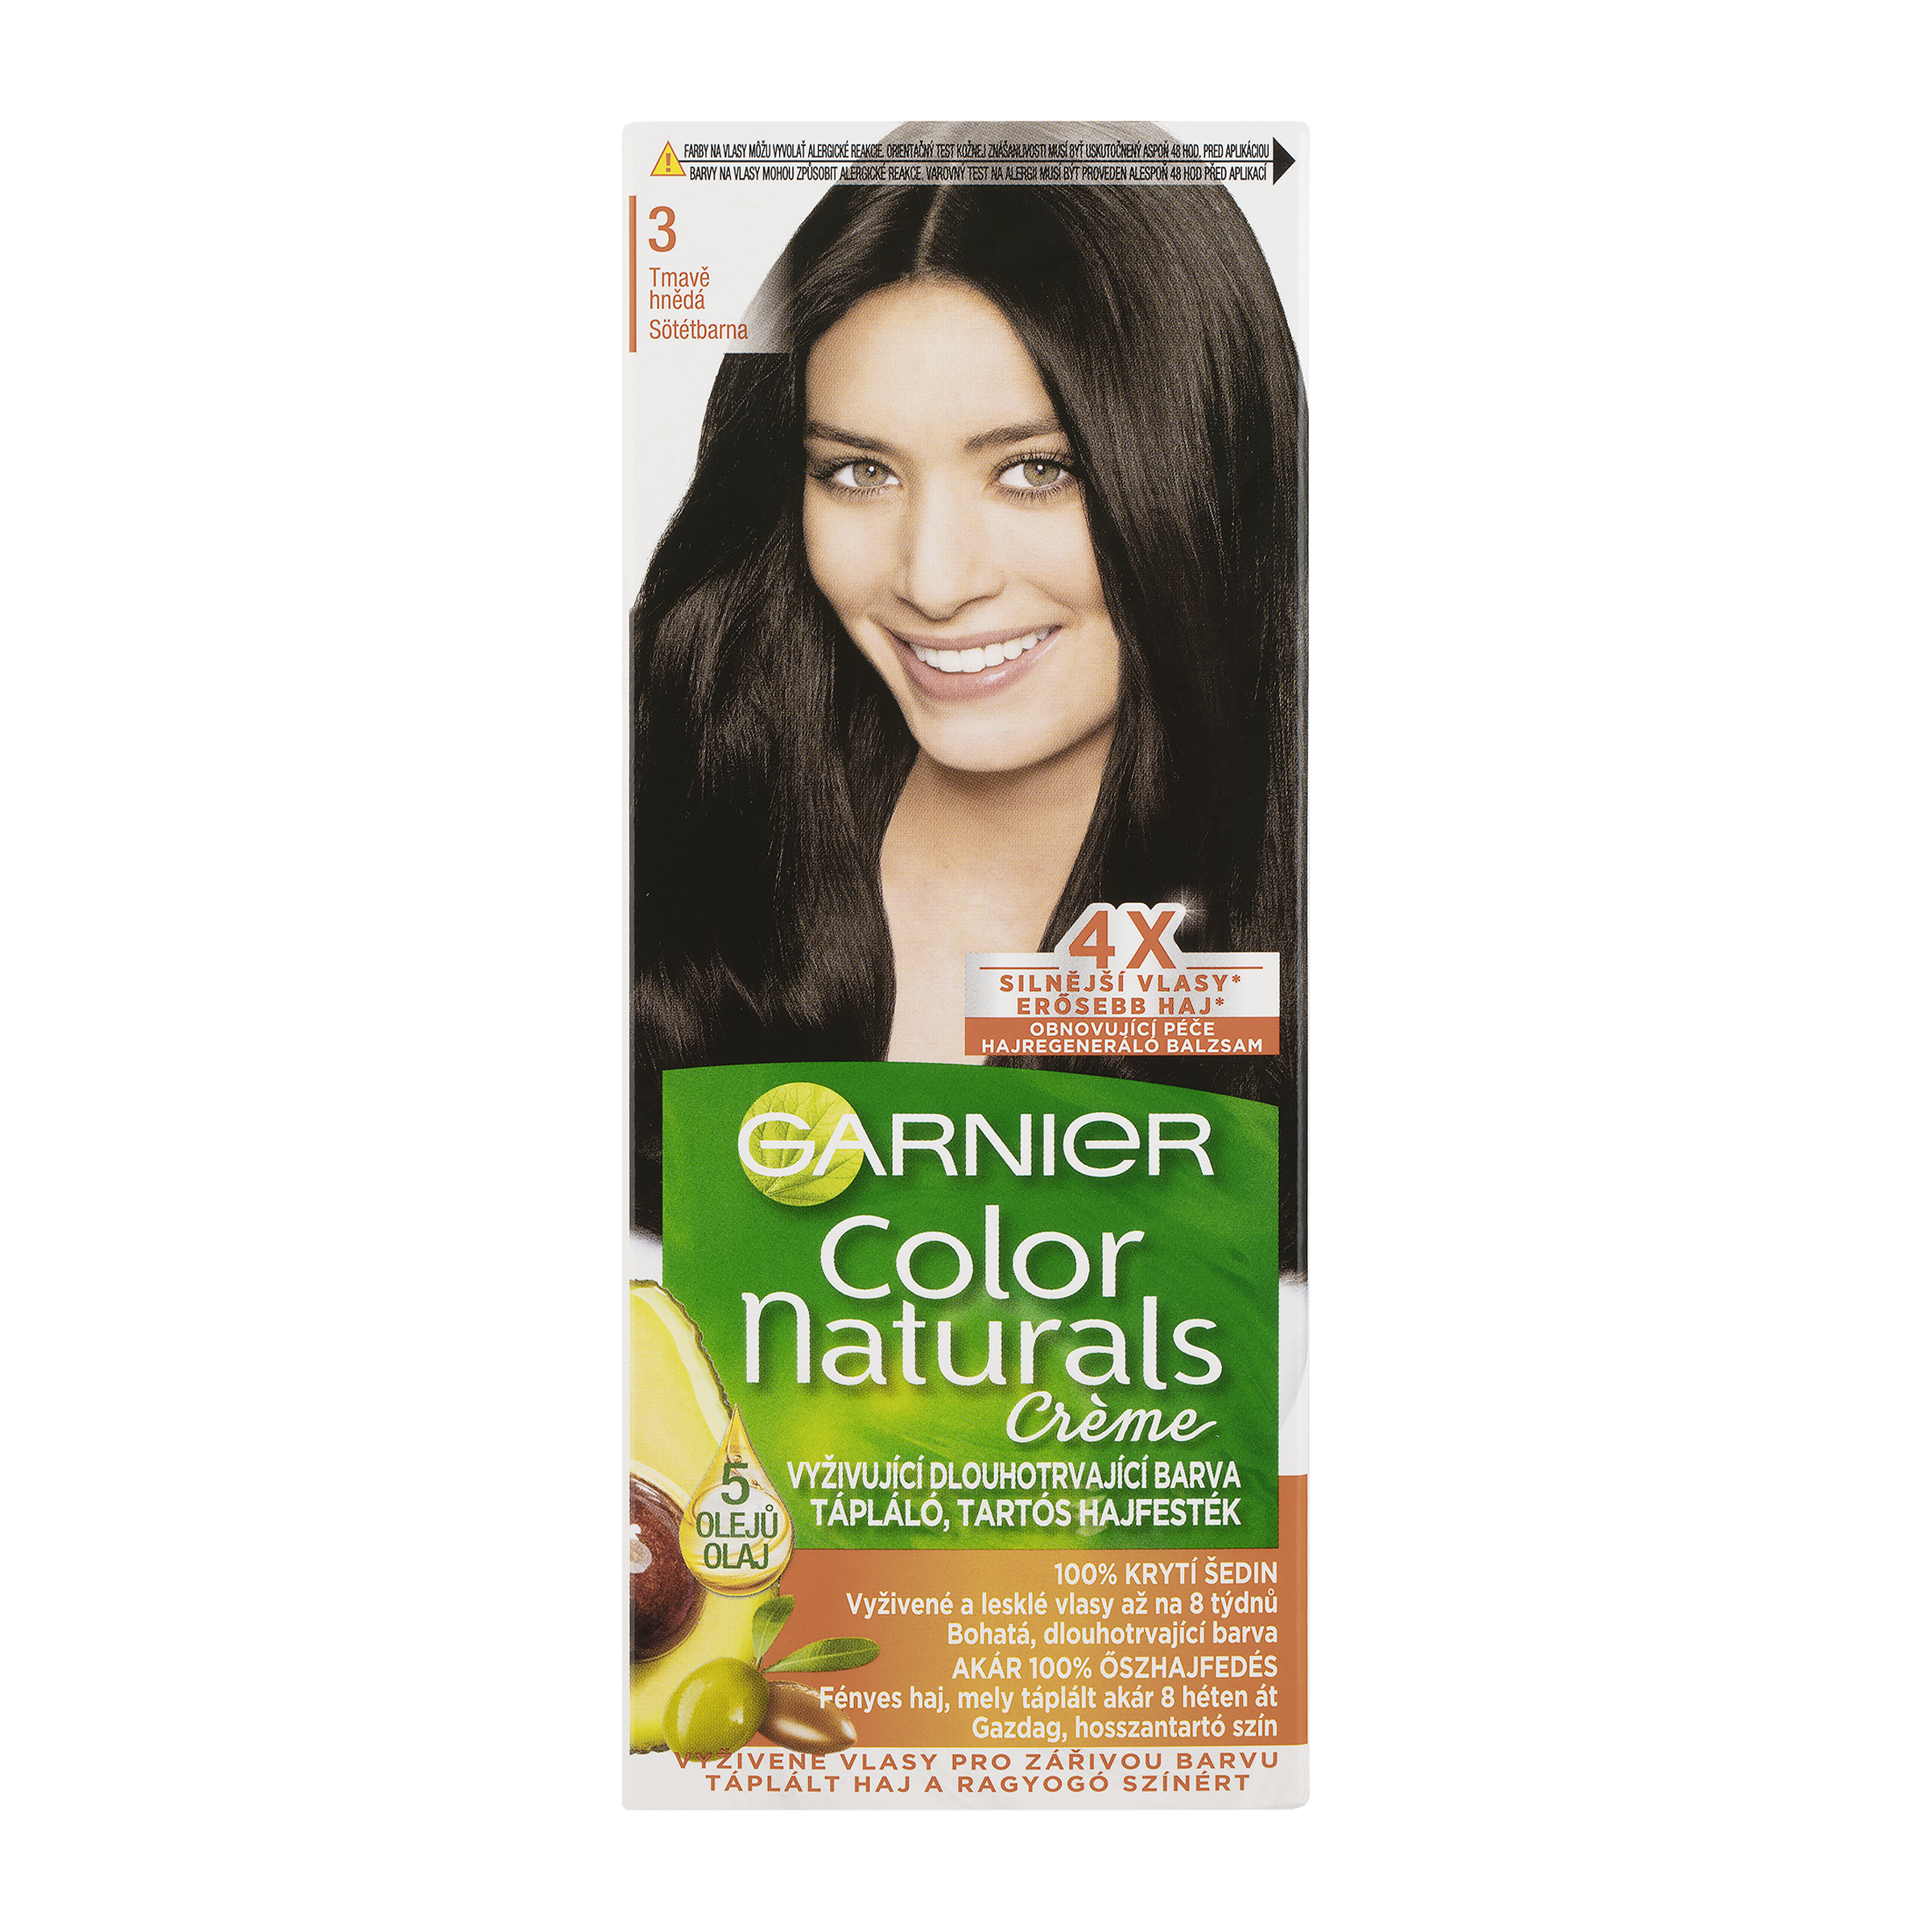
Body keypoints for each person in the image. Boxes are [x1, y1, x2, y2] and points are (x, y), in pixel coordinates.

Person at [631, 150, 1307, 1272]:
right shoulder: (656, 866)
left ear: (1202, 473)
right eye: (860, 472)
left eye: (1037, 470)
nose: (936, 582)